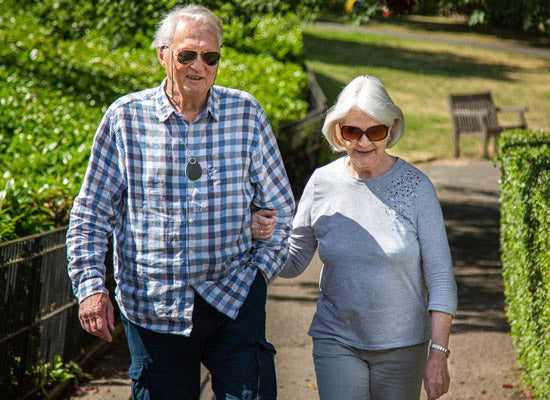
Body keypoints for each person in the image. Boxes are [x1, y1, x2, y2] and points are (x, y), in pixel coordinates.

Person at [66, 5, 294, 400]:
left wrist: (258, 276)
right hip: (153, 306)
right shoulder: (125, 119)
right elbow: (91, 213)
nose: (198, 66)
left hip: (234, 294)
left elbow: (281, 209)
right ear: (162, 55)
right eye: (186, 54)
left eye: (211, 57)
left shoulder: (246, 114)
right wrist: (90, 287)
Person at [252, 75, 457, 400]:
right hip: (337, 339)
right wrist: (265, 235)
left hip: (403, 346)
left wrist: (438, 353)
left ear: (391, 130)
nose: (363, 142)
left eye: (374, 131)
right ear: (338, 131)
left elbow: (441, 279)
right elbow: (292, 263)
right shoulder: (322, 183)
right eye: (352, 131)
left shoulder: (417, 188)